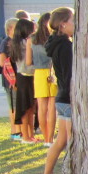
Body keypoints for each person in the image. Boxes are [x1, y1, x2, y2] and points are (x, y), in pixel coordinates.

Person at [38, 7, 75, 174]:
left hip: (61, 97)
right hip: (67, 98)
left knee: (61, 140)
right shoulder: (66, 46)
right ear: (63, 24)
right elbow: (69, 75)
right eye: (73, 20)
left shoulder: (56, 43)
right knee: (71, 140)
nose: (75, 24)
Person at [9, 18, 39, 144]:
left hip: (25, 76)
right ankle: (26, 136)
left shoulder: (16, 43)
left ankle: (30, 135)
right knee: (26, 108)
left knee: (31, 108)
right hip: (25, 76)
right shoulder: (24, 43)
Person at [30, 12, 57, 147]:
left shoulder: (32, 39)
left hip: (39, 73)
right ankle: (50, 138)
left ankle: (46, 137)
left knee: (41, 107)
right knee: (52, 107)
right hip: (52, 71)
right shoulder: (53, 38)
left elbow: (29, 61)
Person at [0, 18, 22, 141]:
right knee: (13, 106)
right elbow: (2, 62)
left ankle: (19, 130)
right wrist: (12, 78)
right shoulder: (6, 42)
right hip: (10, 80)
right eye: (16, 27)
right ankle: (15, 131)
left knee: (18, 104)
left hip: (18, 78)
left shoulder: (17, 42)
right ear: (10, 29)